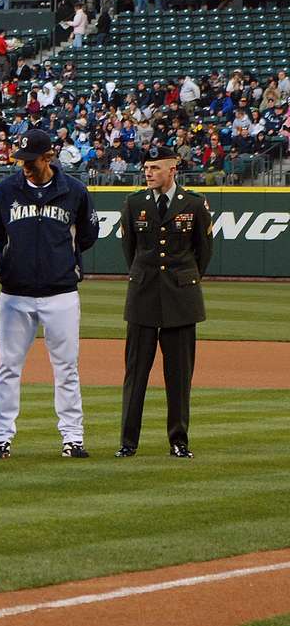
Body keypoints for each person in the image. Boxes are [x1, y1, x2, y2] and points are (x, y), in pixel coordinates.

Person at [0, 129, 100, 459]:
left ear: (49, 158)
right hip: (15, 294)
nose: (25, 167)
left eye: (31, 161)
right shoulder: (5, 190)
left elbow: (88, 236)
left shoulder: (74, 191)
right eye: (22, 161)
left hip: (61, 292)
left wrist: (61, 259)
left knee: (66, 368)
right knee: (8, 367)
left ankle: (72, 437)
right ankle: (0, 438)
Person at [117, 147, 213, 459]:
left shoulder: (195, 204)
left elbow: (203, 252)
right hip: (144, 295)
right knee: (135, 374)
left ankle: (179, 441)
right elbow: (130, 250)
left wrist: (184, 279)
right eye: (146, 167)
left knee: (179, 376)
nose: (148, 173)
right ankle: (128, 442)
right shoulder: (134, 203)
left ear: (173, 169)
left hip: (181, 298)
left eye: (155, 168)